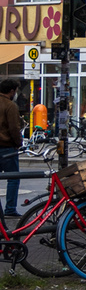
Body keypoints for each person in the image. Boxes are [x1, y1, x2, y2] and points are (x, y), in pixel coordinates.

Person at [0, 79, 20, 219]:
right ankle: (10, 208)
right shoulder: (10, 105)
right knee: (13, 178)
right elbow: (14, 128)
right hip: (7, 147)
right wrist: (18, 143)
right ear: (11, 91)